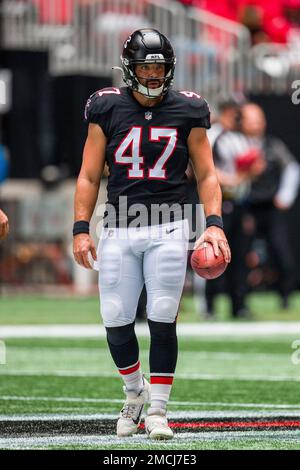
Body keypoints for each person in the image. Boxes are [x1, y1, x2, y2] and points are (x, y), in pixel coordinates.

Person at [73, 28, 230, 440]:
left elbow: (207, 173)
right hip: (120, 224)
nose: (154, 75)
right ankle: (134, 392)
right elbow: (90, 175)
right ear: (130, 67)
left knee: (162, 316)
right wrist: (80, 229)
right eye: (146, 66)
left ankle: (158, 410)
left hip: (170, 224)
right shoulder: (105, 106)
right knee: (116, 320)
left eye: (159, 67)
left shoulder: (189, 109)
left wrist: (213, 225)